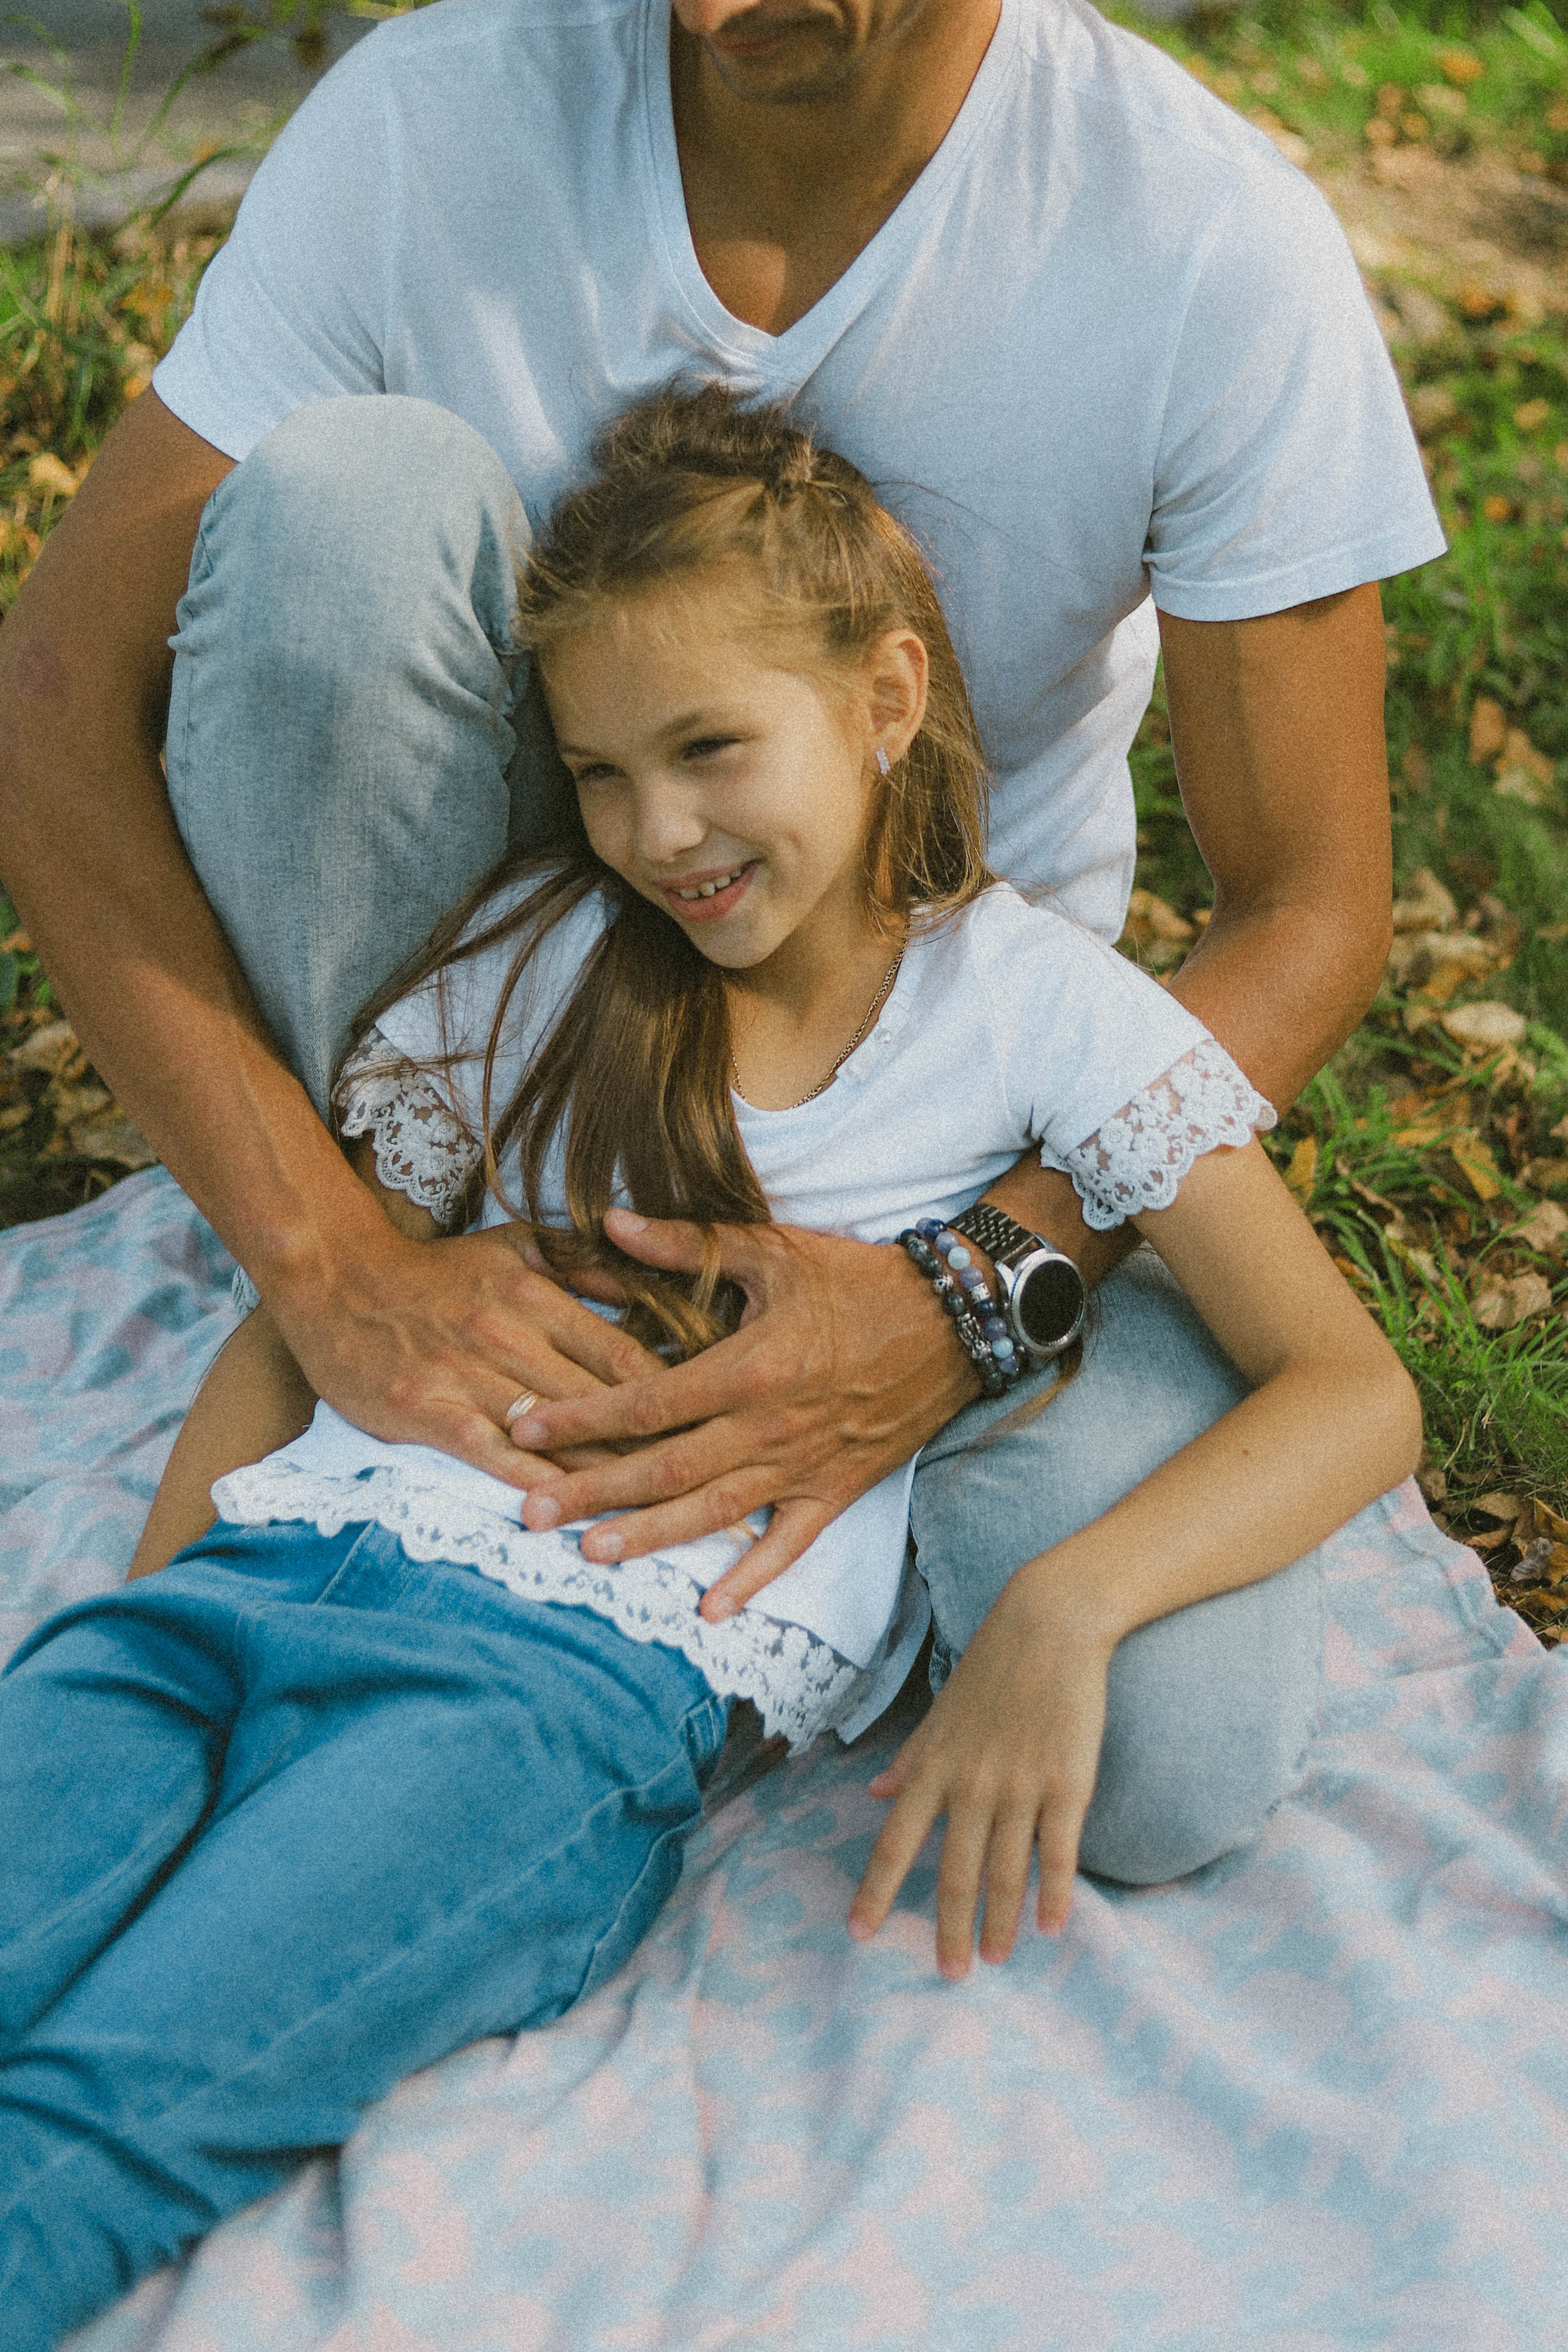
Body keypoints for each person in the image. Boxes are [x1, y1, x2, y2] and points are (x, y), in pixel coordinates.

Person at [0, 390, 1422, 2349]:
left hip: (540, 1712)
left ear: (885, 696)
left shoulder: (1041, 1019)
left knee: (111, 2108)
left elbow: (1354, 1390)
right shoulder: (544, 959)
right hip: (259, 1592)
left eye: (707, 750)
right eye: (598, 770)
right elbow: (303, 1320)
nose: (655, 832)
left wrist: (1067, 1612)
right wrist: (182, 1598)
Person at [0, 0, 1444, 1616]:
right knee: (348, 509)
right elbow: (48, 699)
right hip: (497, 1085)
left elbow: (1310, 907)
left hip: (947, 1143)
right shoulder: (433, 119)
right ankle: (404, 1311)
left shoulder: (1206, 240)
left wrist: (969, 1286)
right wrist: (329, 1263)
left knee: (1170, 1766)